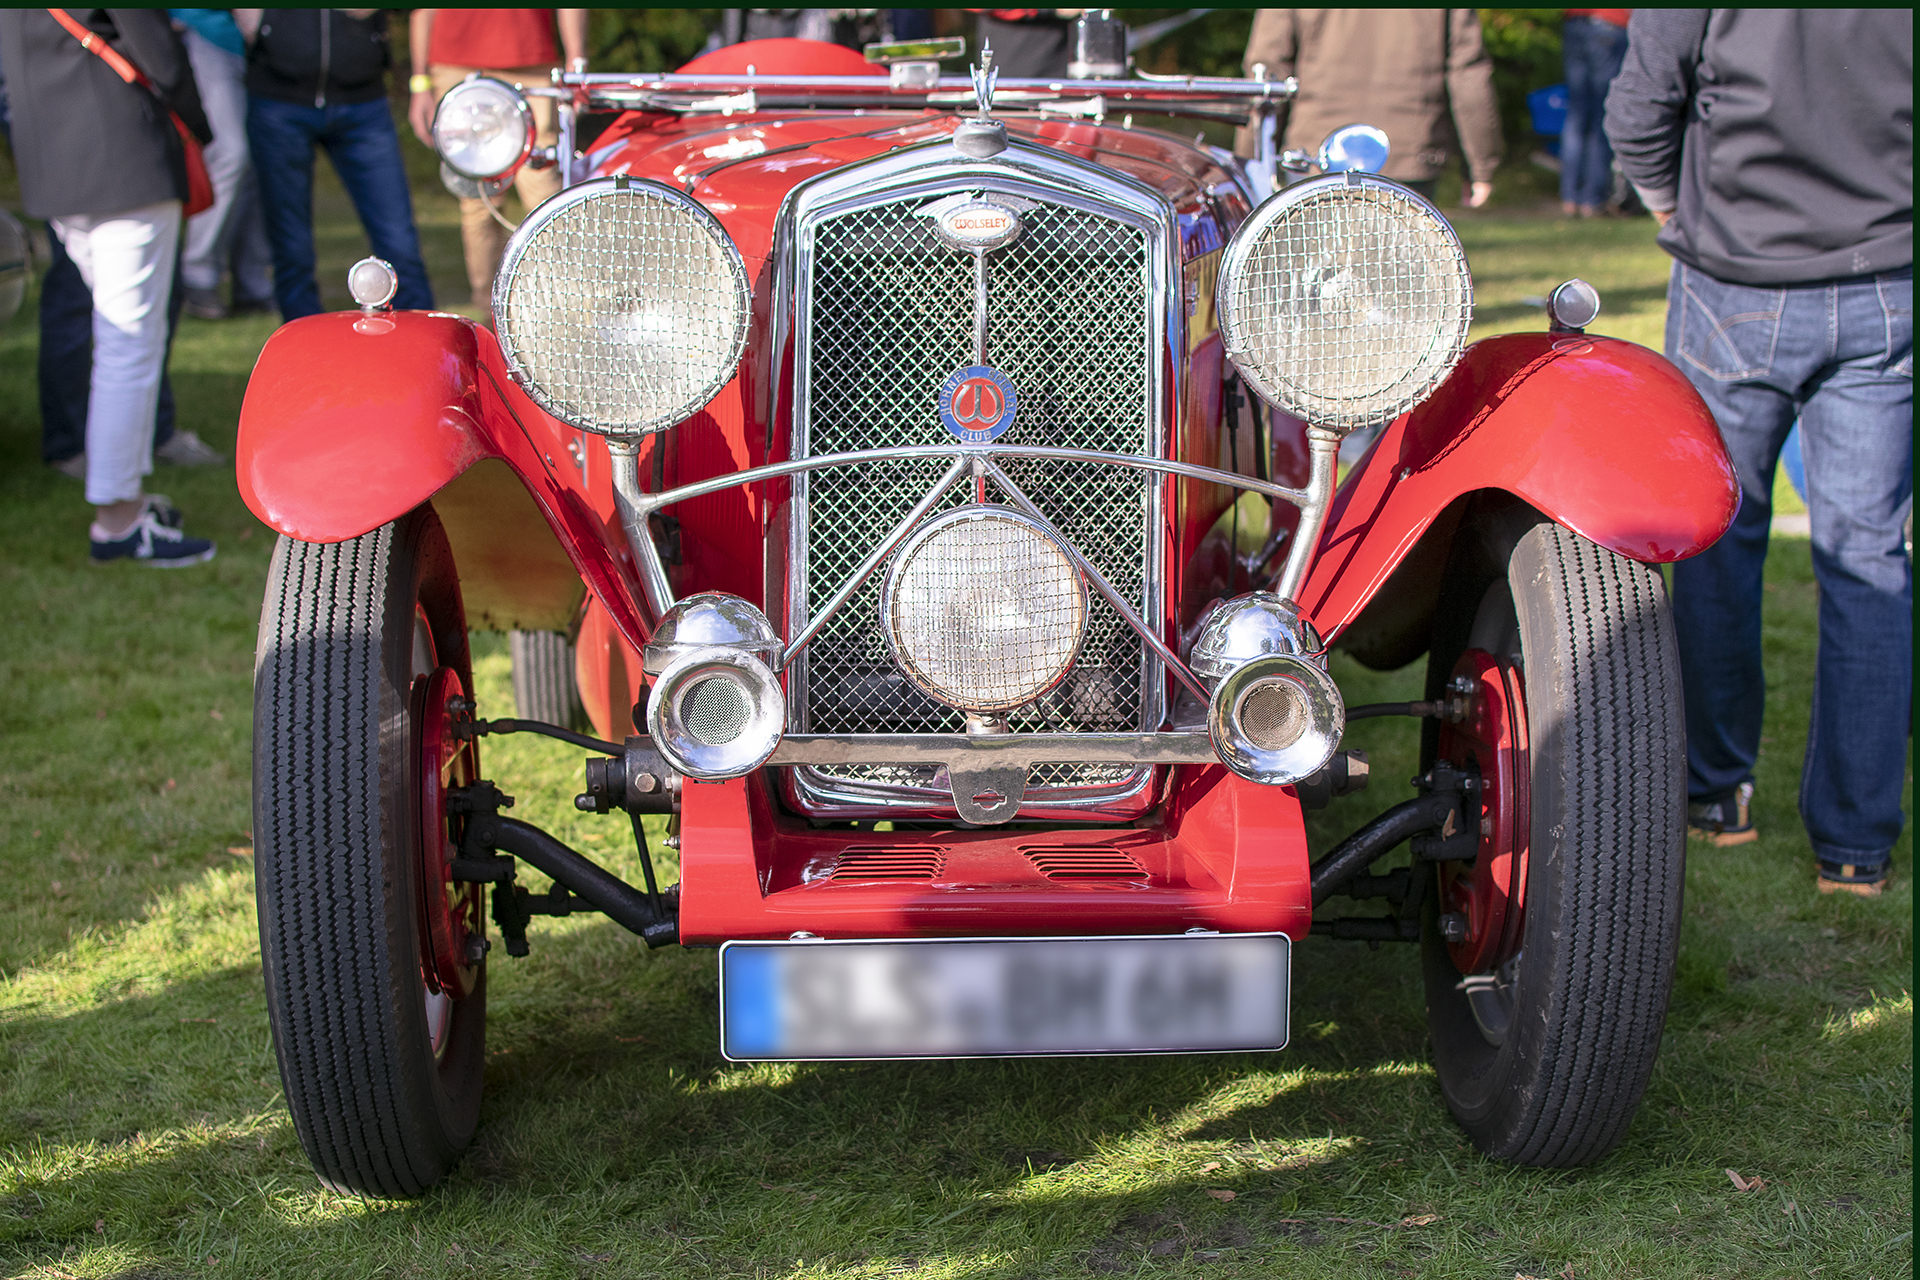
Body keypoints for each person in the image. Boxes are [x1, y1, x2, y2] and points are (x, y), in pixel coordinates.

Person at [1606, 9, 1912, 896]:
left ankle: (1715, 795)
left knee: (1721, 534)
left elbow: (1639, 108)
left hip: (1740, 277)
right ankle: (1854, 847)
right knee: (1867, 557)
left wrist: (1675, 209)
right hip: (1879, 281)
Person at [0, 8, 218, 565]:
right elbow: (158, 51)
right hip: (122, 152)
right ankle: (119, 519)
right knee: (129, 346)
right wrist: (202, 124)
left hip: (52, 160)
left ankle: (127, 499)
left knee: (118, 339)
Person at [236, 9, 433, 320]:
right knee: (292, 247)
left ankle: (423, 348)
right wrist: (261, 23)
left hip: (363, 101)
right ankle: (302, 352)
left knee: (398, 240)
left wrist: (421, 82)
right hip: (279, 99)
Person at [406, 9, 588, 311]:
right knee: (477, 199)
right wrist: (420, 83)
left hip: (528, 56)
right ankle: (491, 319)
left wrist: (577, 60)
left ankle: (564, 314)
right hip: (456, 60)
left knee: (546, 195)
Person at [1235, 9, 1503, 208]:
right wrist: (1480, 165)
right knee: (1401, 275)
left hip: (1316, 155)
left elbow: (1267, 73)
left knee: (1315, 276)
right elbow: (1468, 73)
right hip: (1406, 154)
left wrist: (1245, 167)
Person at [170, 8, 273, 319]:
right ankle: (197, 275)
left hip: (245, 43)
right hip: (199, 31)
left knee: (254, 163)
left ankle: (252, 284)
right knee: (230, 153)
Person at [1559, 9, 1629, 217]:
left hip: (1574, 21)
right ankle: (1593, 199)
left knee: (1576, 116)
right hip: (1608, 22)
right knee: (1602, 116)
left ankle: (1570, 197)